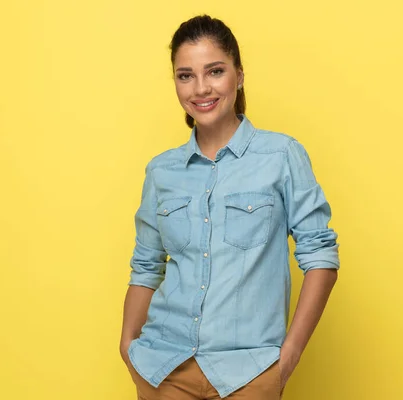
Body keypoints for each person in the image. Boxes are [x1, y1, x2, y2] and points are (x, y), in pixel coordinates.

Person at [120, 14, 340, 400]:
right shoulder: (162, 171)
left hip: (250, 372)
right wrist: (128, 347)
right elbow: (145, 265)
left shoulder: (282, 155)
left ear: (238, 75)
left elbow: (321, 256)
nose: (201, 88)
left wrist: (288, 357)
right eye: (185, 75)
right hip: (164, 368)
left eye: (215, 71)